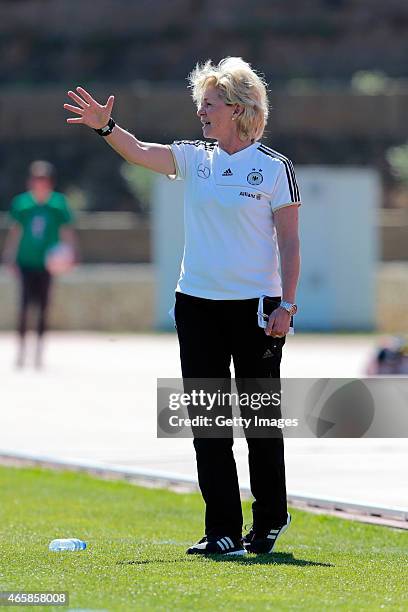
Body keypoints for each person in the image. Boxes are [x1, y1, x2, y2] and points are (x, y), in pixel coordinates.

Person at [64, 57, 301, 556]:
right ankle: (221, 531)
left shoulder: (276, 168)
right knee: (209, 424)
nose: (201, 113)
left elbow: (290, 243)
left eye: (209, 105)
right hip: (196, 306)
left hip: (258, 308)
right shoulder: (195, 158)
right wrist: (105, 127)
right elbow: (139, 151)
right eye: (200, 106)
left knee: (260, 422)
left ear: (238, 109)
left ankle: (271, 517)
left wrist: (288, 305)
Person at [2, 161, 76, 368]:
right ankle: (21, 351)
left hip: (48, 264)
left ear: (50, 182)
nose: (39, 183)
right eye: (36, 179)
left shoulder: (58, 204)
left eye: (43, 180)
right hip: (26, 261)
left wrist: (70, 254)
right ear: (30, 182)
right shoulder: (22, 204)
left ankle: (39, 353)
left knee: (43, 308)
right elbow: (15, 231)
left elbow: (67, 231)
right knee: (25, 307)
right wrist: (10, 256)